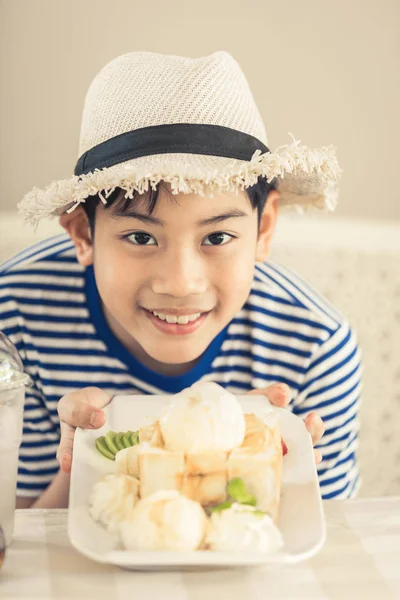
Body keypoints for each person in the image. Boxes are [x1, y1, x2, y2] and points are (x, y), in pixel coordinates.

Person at [0, 51, 361, 509]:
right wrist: (89, 459)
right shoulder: (13, 321)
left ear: (263, 229)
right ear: (84, 234)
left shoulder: (314, 347)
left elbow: (318, 552)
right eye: (139, 236)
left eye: (217, 236)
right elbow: (17, 550)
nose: (180, 283)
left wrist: (253, 459)